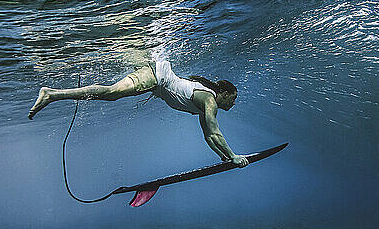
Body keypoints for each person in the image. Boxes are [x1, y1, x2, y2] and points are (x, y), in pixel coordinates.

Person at [28, 61, 249, 167]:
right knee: (111, 93)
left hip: (154, 80)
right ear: (224, 93)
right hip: (155, 76)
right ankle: (52, 94)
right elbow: (215, 133)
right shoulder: (209, 99)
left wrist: (226, 156)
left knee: (110, 94)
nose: (234, 102)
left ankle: (53, 94)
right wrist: (234, 156)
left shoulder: (207, 101)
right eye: (234, 98)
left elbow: (209, 135)